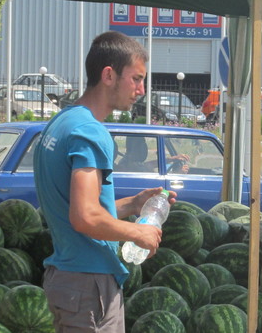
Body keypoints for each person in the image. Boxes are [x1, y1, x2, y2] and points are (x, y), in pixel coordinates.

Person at [34, 31, 177, 332]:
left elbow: (79, 206)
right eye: (136, 79)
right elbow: (85, 216)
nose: (141, 89)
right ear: (109, 75)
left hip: (67, 278)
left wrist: (133, 204)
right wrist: (138, 232)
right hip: (88, 286)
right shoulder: (90, 132)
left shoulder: (61, 123)